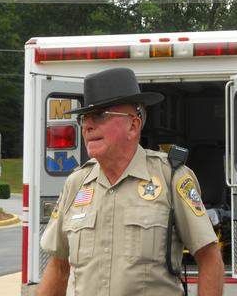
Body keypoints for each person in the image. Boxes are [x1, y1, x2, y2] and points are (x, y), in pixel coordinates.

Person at [38, 67, 224, 296]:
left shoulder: (171, 177)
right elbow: (59, 266)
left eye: (100, 115)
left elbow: (209, 257)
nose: (88, 125)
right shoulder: (76, 184)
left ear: (133, 125)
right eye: (84, 117)